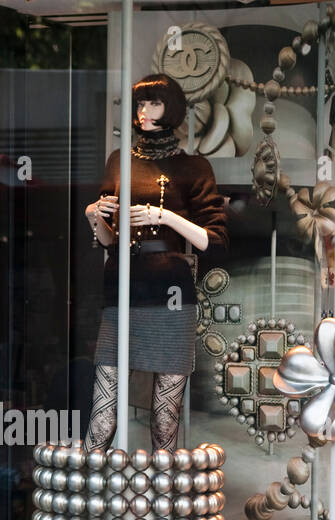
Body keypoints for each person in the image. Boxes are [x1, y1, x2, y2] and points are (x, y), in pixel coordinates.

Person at [83, 73, 227, 452]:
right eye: (140, 104)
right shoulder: (119, 162)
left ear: (173, 109)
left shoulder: (194, 167)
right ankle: (94, 496)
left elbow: (214, 240)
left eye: (154, 103)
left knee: (165, 420)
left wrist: (165, 218)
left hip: (170, 295)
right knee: (102, 415)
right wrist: (94, 214)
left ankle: (161, 506)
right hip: (122, 289)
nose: (144, 112)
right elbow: (109, 241)